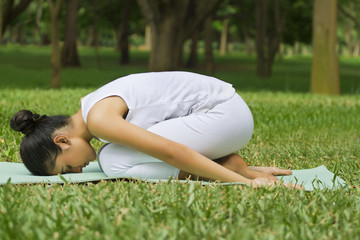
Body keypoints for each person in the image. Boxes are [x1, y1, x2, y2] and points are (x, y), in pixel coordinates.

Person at [10, 71, 300, 188]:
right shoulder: (92, 108)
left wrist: (242, 182)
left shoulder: (99, 119)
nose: (77, 172)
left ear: (62, 141)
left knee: (112, 160)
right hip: (226, 114)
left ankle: (230, 166)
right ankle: (227, 163)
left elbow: (171, 151)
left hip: (224, 115)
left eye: (66, 168)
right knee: (111, 155)